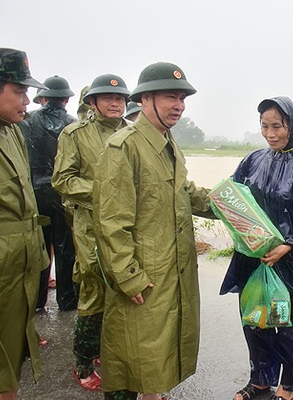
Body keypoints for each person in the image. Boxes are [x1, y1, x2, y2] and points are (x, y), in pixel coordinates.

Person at [93, 62, 211, 400]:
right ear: (145, 99)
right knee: (138, 356)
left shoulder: (168, 143)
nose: (179, 105)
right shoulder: (124, 147)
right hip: (145, 276)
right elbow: (111, 222)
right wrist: (129, 276)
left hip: (172, 271)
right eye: (170, 97)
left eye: (182, 99)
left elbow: (183, 193)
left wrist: (228, 205)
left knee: (157, 360)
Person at [220, 96, 293, 400]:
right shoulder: (253, 160)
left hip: (290, 266)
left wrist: (289, 246)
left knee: (290, 328)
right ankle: (259, 382)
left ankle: (286, 388)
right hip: (254, 260)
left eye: (277, 126)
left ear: (291, 126)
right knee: (256, 321)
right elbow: (234, 198)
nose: (270, 133)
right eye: (265, 126)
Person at [52, 73, 131, 391]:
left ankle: (107, 350)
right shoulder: (75, 134)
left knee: (123, 289)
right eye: (108, 98)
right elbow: (63, 180)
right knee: (94, 291)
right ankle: (83, 362)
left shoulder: (132, 133)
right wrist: (105, 190)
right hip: (90, 225)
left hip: (125, 227)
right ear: (92, 102)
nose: (116, 103)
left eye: (121, 98)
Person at [0, 47, 50, 400]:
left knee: (8, 358)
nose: (27, 100)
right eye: (18, 91)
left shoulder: (13, 131)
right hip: (0, 266)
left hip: (18, 267)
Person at [19, 75, 78, 312]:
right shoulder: (73, 125)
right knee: (66, 248)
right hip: (62, 194)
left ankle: (37, 300)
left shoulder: (26, 121)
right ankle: (67, 300)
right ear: (65, 98)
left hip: (34, 193)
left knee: (40, 249)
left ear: (43, 98)